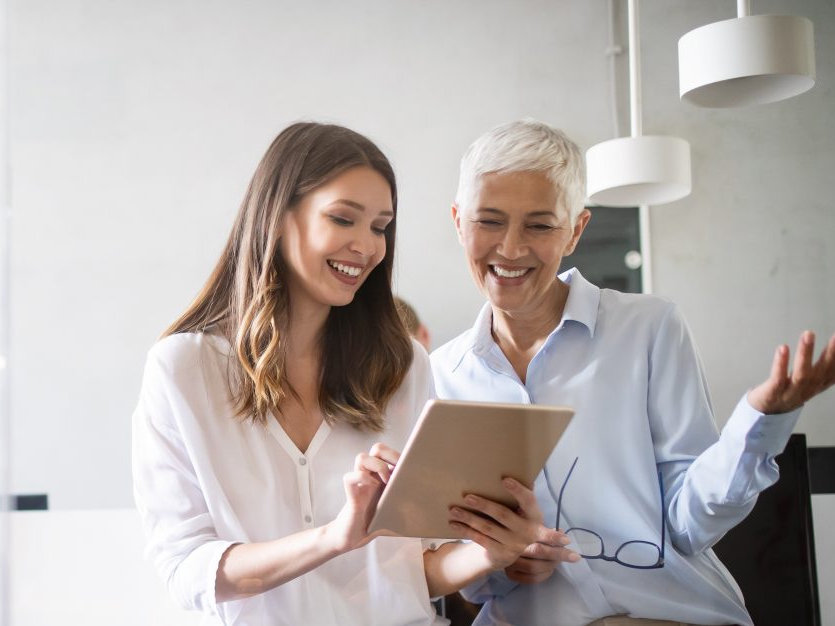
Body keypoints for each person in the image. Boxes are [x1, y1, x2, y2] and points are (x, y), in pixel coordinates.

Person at [431, 119, 835, 626]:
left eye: (539, 224)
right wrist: (505, 564)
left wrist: (764, 418)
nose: (510, 248)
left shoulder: (650, 328)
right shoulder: (440, 376)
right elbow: (465, 571)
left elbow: (688, 525)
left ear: (575, 230)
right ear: (458, 221)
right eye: (489, 221)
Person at [132, 122, 575, 625]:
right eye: (344, 219)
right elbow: (187, 570)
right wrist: (334, 538)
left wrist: (493, 550)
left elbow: (415, 568)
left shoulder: (402, 365)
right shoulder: (184, 370)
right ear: (277, 218)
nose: (367, 246)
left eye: (380, 226)